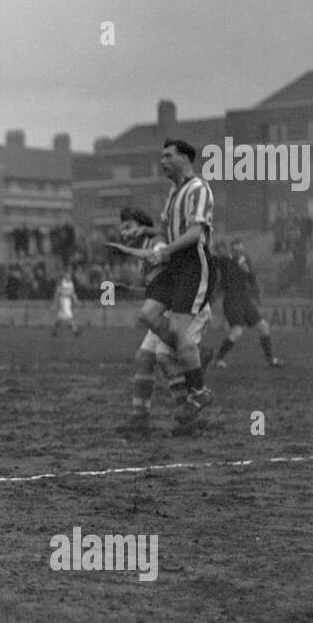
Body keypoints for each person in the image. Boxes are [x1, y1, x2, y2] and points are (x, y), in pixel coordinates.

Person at [130, 139, 216, 433]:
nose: (162, 161)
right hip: (175, 265)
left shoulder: (198, 189)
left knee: (176, 332)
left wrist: (165, 250)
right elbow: (169, 230)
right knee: (148, 315)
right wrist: (148, 232)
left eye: (168, 156)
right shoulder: (173, 192)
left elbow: (195, 233)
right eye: (161, 155)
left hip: (193, 263)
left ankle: (199, 388)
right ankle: (190, 353)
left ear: (185, 158)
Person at [114, 209, 212, 436]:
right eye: (122, 229)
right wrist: (129, 290)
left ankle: (186, 417)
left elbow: (165, 257)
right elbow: (158, 287)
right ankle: (141, 417)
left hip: (185, 308)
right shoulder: (146, 250)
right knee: (145, 357)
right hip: (165, 309)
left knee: (165, 358)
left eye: (128, 227)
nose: (124, 232)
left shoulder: (156, 243)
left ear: (141, 226)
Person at [213, 241, 282, 369]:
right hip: (231, 300)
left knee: (263, 327)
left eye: (241, 250)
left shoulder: (245, 261)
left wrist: (248, 271)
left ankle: (270, 360)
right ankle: (218, 359)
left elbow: (252, 280)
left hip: (244, 299)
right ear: (231, 250)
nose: (239, 252)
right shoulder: (225, 261)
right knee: (237, 331)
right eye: (236, 250)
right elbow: (216, 259)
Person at [51, 270, 80, 336]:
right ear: (65, 275)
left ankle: (54, 330)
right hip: (63, 300)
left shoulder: (70, 283)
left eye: (70, 275)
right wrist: (55, 302)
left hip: (68, 300)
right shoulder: (61, 282)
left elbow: (72, 292)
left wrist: (76, 299)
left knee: (60, 318)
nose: (69, 276)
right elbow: (57, 292)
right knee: (69, 315)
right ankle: (75, 330)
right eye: (68, 275)